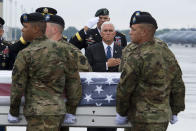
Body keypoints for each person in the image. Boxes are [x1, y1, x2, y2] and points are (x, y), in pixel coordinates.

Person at [7, 12, 82, 131]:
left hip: (36, 113)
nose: (22, 30)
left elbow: (18, 86)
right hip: (57, 111)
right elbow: (74, 82)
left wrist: (13, 112)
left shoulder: (26, 53)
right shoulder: (64, 50)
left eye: (26, 27)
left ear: (36, 29)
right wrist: (71, 111)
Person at [115, 11, 185, 131]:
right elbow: (178, 83)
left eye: (133, 29)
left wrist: (121, 112)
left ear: (144, 31)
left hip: (140, 117)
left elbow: (125, 86)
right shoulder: (167, 52)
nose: (130, 32)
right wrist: (175, 109)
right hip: (161, 117)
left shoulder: (136, 55)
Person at [85, 21, 122, 131]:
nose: (108, 33)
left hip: (113, 97)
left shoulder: (122, 50)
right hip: (94, 96)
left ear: (115, 33)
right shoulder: (91, 49)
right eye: (105, 31)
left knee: (111, 127)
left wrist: (118, 65)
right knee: (94, 127)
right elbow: (88, 69)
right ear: (101, 33)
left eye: (110, 31)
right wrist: (106, 65)